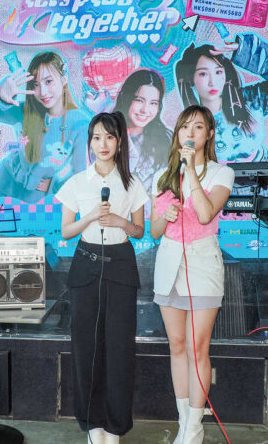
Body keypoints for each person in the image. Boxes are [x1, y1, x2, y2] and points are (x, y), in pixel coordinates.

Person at [55, 112, 148, 444]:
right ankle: (92, 426)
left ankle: (115, 428)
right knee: (86, 349)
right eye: (96, 137)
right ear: (90, 142)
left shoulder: (133, 183)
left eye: (109, 137)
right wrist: (91, 217)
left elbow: (139, 230)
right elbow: (66, 232)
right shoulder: (77, 182)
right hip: (86, 266)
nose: (102, 144)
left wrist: (121, 222)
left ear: (119, 142)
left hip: (121, 266)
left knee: (120, 350)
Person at [149, 105, 234, 444]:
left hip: (202, 265)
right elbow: (154, 231)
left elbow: (205, 214)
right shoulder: (163, 175)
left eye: (198, 127)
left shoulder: (221, 173)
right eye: (185, 126)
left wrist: (191, 172)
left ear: (209, 134)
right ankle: (184, 422)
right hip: (168, 264)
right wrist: (165, 216)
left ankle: (195, 427)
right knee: (177, 345)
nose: (190, 132)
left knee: (197, 348)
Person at [0, 50, 90, 202]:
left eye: (48, 81)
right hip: (3, 186)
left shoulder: (80, 123)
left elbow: (81, 174)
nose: (42, 92)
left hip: (38, 199)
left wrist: (54, 185)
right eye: (35, 84)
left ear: (64, 79)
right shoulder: (24, 111)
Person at [175, 36, 268, 167]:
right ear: (191, 78)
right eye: (203, 74)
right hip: (220, 179)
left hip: (266, 176)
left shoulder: (249, 99)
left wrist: (244, 50)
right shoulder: (188, 124)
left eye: (218, 72)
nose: (212, 82)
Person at [112, 69, 172, 217]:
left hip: (154, 221)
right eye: (139, 100)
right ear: (125, 97)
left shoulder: (167, 138)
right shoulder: (108, 135)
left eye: (153, 103)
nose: (145, 110)